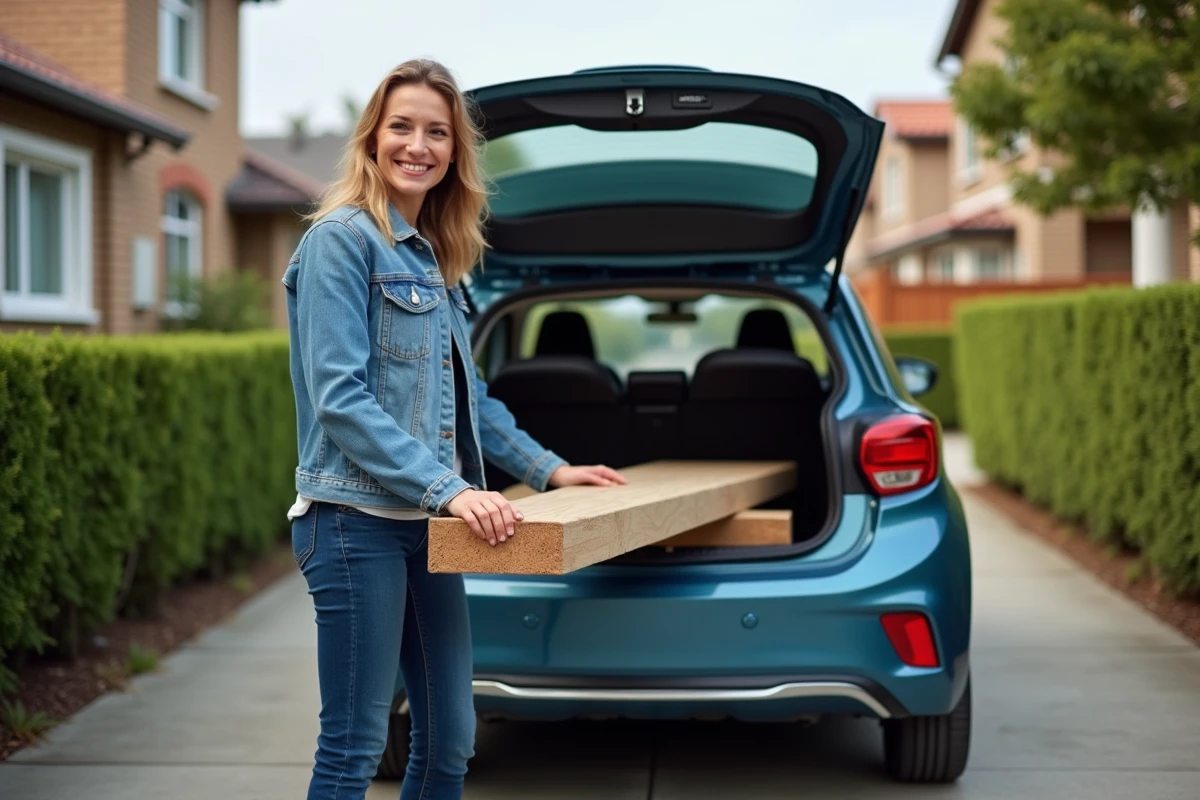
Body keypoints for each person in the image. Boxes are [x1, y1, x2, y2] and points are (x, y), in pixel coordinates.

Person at [282, 59, 626, 800]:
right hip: (353, 526)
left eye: (437, 132)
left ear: (454, 153)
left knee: (449, 745)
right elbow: (339, 398)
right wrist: (451, 491)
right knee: (353, 748)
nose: (418, 145)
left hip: (425, 532)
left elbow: (471, 401)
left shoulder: (434, 260)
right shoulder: (340, 241)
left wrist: (549, 470)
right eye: (402, 126)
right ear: (373, 138)